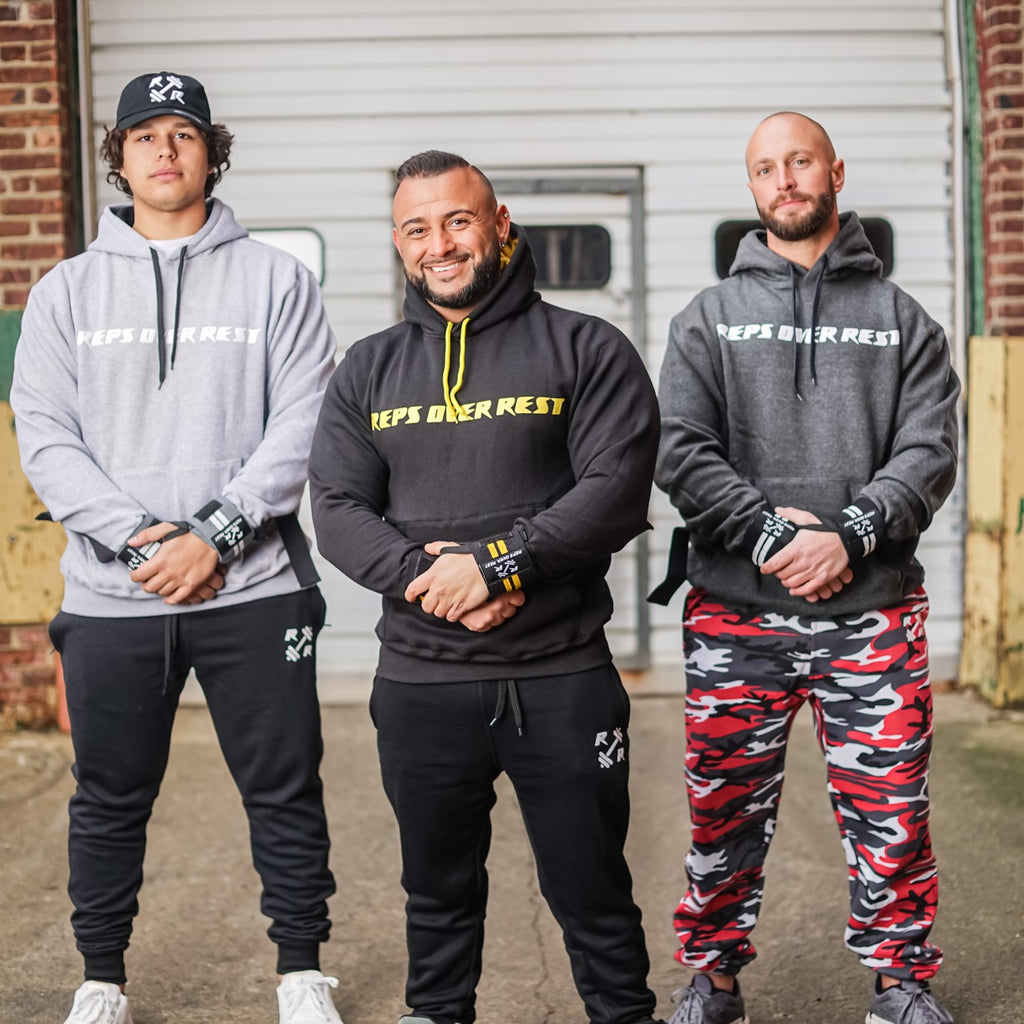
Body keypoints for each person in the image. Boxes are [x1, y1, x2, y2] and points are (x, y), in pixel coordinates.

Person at [11, 72, 344, 1024]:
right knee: (108, 797)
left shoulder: (278, 279)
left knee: (284, 789)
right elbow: (46, 437)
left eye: (185, 133)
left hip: (255, 590)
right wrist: (141, 540)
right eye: (145, 134)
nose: (165, 149)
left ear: (212, 153)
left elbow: (304, 425)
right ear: (118, 157)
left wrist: (217, 537)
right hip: (111, 598)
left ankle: (300, 972)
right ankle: (101, 980)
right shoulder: (66, 291)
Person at [308, 150, 663, 1024]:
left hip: (562, 677)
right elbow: (337, 508)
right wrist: (437, 580)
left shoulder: (587, 347)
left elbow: (615, 491)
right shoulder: (367, 369)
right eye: (417, 228)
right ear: (399, 243)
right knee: (435, 894)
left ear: (500, 225)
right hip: (421, 684)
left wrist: (500, 564)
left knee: (592, 890)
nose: (440, 244)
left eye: (458, 221)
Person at [651, 112, 959, 1024]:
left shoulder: (904, 321)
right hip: (735, 613)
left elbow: (928, 453)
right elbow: (679, 448)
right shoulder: (707, 319)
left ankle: (900, 983)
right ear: (751, 187)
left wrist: (851, 535)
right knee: (723, 808)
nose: (783, 180)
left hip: (873, 614)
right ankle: (713, 979)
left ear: (834, 171)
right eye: (764, 168)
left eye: (799, 162)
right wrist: (769, 537)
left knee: (892, 810)